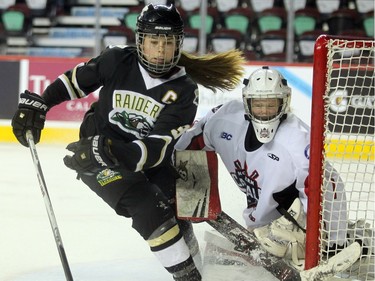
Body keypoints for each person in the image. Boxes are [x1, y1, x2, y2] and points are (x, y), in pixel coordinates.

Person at [11, 4, 245, 281]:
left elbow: (156, 149)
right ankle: (191, 278)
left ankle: (249, 247)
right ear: (140, 41)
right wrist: (41, 103)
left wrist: (113, 151)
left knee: (190, 200)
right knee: (149, 209)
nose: (160, 50)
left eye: (167, 43)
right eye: (153, 41)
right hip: (95, 153)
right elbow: (75, 82)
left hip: (143, 156)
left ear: (179, 44)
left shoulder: (184, 90)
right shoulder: (117, 60)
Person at [175, 66, 348, 269]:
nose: (264, 111)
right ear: (247, 103)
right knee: (217, 263)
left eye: (271, 104)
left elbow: (329, 183)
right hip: (259, 226)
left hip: (292, 225)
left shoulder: (298, 139)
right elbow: (189, 144)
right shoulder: (224, 120)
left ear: (284, 103)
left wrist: (333, 243)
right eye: (258, 104)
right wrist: (193, 197)